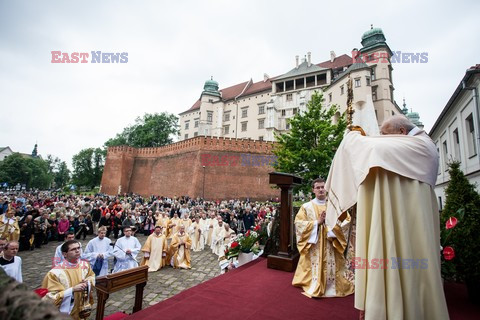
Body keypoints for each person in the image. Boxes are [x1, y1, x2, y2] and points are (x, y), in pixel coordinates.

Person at [325, 115, 449, 319]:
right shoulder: (415, 146)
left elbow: (372, 149)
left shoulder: (420, 145)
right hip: (402, 214)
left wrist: (353, 135)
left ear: (401, 133)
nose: (380, 138)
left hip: (405, 217)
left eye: (384, 134)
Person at [292, 178, 354, 298]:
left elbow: (346, 221)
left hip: (332, 243)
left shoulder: (335, 207)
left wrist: (332, 229)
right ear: (313, 190)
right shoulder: (306, 207)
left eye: (323, 187)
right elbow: (299, 224)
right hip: (314, 245)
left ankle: (331, 285)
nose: (321, 190)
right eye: (318, 187)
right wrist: (317, 223)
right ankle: (311, 282)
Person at [41, 240, 95, 320]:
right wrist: (72, 290)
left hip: (81, 307)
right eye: (73, 249)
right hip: (66, 311)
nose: (77, 251)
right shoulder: (55, 273)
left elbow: (91, 276)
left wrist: (88, 282)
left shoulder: (85, 265)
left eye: (78, 248)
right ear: (64, 254)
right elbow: (49, 297)